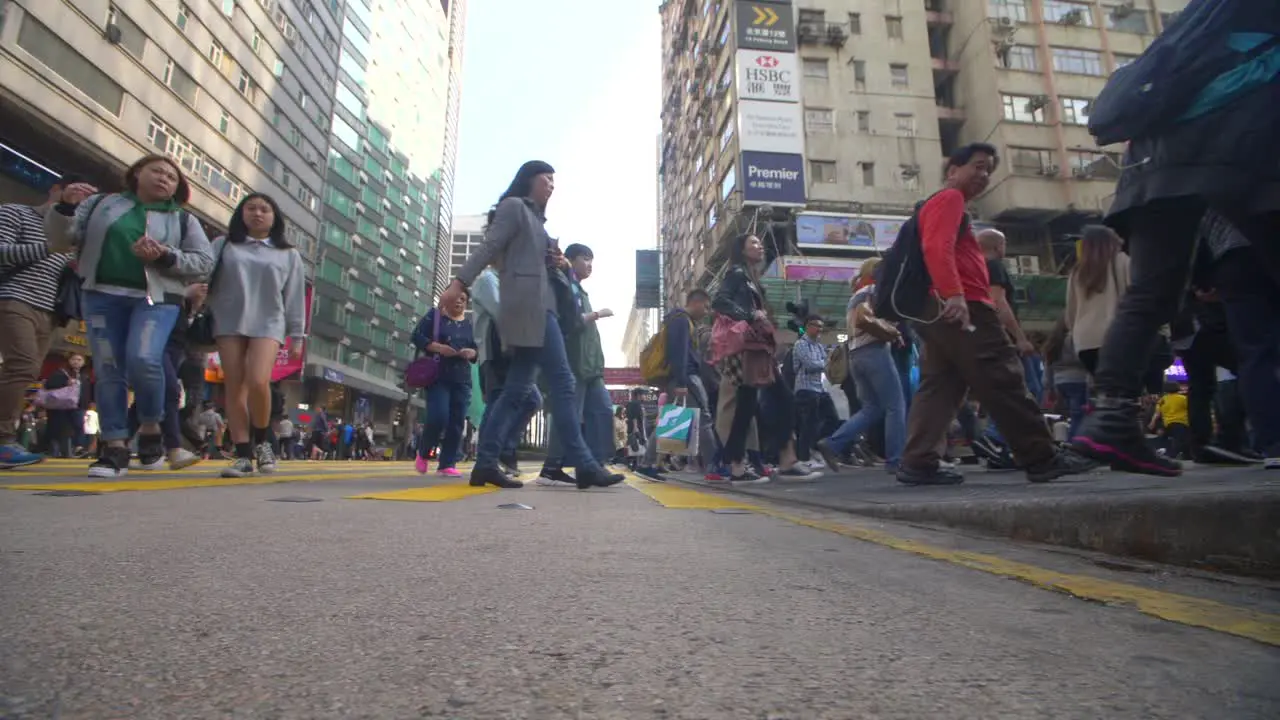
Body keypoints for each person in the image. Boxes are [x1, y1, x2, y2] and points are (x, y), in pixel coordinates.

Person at [1072, 0, 1280, 476]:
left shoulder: (1195, 26)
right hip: (1242, 152)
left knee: (1150, 295)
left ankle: (1112, 419)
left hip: (1153, 164)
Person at [897, 143, 1095, 485]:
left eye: (989, 169)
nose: (984, 175)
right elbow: (936, 248)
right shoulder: (949, 199)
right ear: (953, 170)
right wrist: (955, 295)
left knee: (940, 386)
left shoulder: (946, 205)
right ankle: (1041, 455)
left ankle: (919, 460)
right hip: (964, 306)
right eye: (977, 166)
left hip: (938, 307)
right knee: (1003, 375)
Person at [439, 160, 623, 490]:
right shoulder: (514, 207)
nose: (551, 184)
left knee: (516, 391)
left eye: (554, 180)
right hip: (530, 309)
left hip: (537, 307)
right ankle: (584, 464)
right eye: (546, 178)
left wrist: (559, 262)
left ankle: (485, 463)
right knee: (564, 383)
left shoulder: (538, 222)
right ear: (529, 180)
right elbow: (490, 246)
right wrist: (460, 282)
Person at [43, 154, 214, 478]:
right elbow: (61, 240)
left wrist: (165, 255)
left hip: (157, 300)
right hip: (101, 297)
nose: (164, 179)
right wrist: (65, 208)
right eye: (157, 171)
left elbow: (203, 262)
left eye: (171, 177)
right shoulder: (100, 205)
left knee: (144, 358)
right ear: (137, 173)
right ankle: (115, 447)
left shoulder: (182, 220)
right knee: (108, 369)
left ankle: (150, 425)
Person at [205, 193, 305, 478]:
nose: (257, 214)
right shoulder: (223, 245)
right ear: (241, 213)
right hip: (228, 321)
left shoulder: (288, 254)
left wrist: (298, 335)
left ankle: (262, 442)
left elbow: (295, 296)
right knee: (235, 387)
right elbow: (202, 275)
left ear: (275, 218)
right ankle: (243, 454)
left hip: (270, 323)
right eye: (251, 208)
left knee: (259, 380)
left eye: (265, 209)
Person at [0, 173, 97, 469]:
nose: (79, 202)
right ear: (56, 189)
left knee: (26, 372)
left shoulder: (75, 238)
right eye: (75, 193)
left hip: (50, 312)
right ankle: (3, 440)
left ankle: (7, 440)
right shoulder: (15, 212)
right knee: (23, 364)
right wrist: (50, 247)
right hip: (14, 298)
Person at [711, 233, 820, 483]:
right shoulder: (737, 273)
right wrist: (749, 316)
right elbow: (720, 300)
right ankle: (739, 465)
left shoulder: (751, 277)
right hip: (746, 349)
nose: (760, 246)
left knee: (780, 399)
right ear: (742, 249)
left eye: (761, 243)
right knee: (747, 405)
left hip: (760, 349)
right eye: (754, 243)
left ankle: (786, 459)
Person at [815, 258, 907, 473]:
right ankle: (896, 461)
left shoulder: (856, 293)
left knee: (872, 408)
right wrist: (893, 332)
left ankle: (833, 443)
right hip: (874, 351)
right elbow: (865, 319)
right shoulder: (871, 290)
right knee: (896, 405)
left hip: (856, 356)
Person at [538, 243, 616, 485]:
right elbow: (568, 323)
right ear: (570, 260)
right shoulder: (562, 286)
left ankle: (592, 467)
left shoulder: (579, 290)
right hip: (574, 363)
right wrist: (597, 315)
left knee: (602, 411)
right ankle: (551, 468)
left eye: (592, 260)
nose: (590, 264)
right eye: (585, 259)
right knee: (570, 415)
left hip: (591, 366)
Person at [634, 289, 717, 480]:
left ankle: (647, 463)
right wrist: (681, 381)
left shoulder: (680, 320)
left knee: (671, 420)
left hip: (681, 377)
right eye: (705, 307)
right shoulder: (681, 320)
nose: (706, 311)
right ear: (695, 303)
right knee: (703, 420)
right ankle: (715, 466)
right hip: (685, 377)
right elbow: (678, 353)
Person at [471, 263, 543, 477]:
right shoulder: (488, 280)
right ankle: (491, 458)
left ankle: (498, 453)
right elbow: (501, 310)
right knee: (499, 401)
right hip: (495, 353)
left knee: (528, 400)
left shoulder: (506, 281)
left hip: (510, 352)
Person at [412, 291, 477, 477]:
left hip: (462, 379)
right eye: (456, 297)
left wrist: (471, 353)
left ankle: (447, 463)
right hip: (437, 376)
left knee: (457, 422)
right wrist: (438, 348)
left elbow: (477, 348)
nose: (459, 302)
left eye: (463, 299)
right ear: (447, 298)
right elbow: (416, 336)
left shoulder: (469, 324)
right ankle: (423, 452)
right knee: (438, 417)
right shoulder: (435, 315)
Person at [791, 315, 829, 470]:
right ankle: (803, 457)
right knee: (807, 425)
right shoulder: (801, 344)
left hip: (819, 388)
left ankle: (814, 447)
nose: (819, 329)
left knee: (830, 417)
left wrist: (825, 363)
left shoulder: (819, 346)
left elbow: (825, 364)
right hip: (805, 389)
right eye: (816, 325)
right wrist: (825, 363)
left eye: (821, 326)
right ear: (807, 326)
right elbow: (811, 365)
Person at [1042, 318, 1089, 441]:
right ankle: (1075, 444)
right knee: (1080, 417)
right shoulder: (1074, 339)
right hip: (1078, 380)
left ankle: (1071, 441)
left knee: (1073, 415)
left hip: (1060, 383)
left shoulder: (1054, 342)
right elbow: (1083, 359)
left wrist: (1049, 387)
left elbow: (1048, 366)